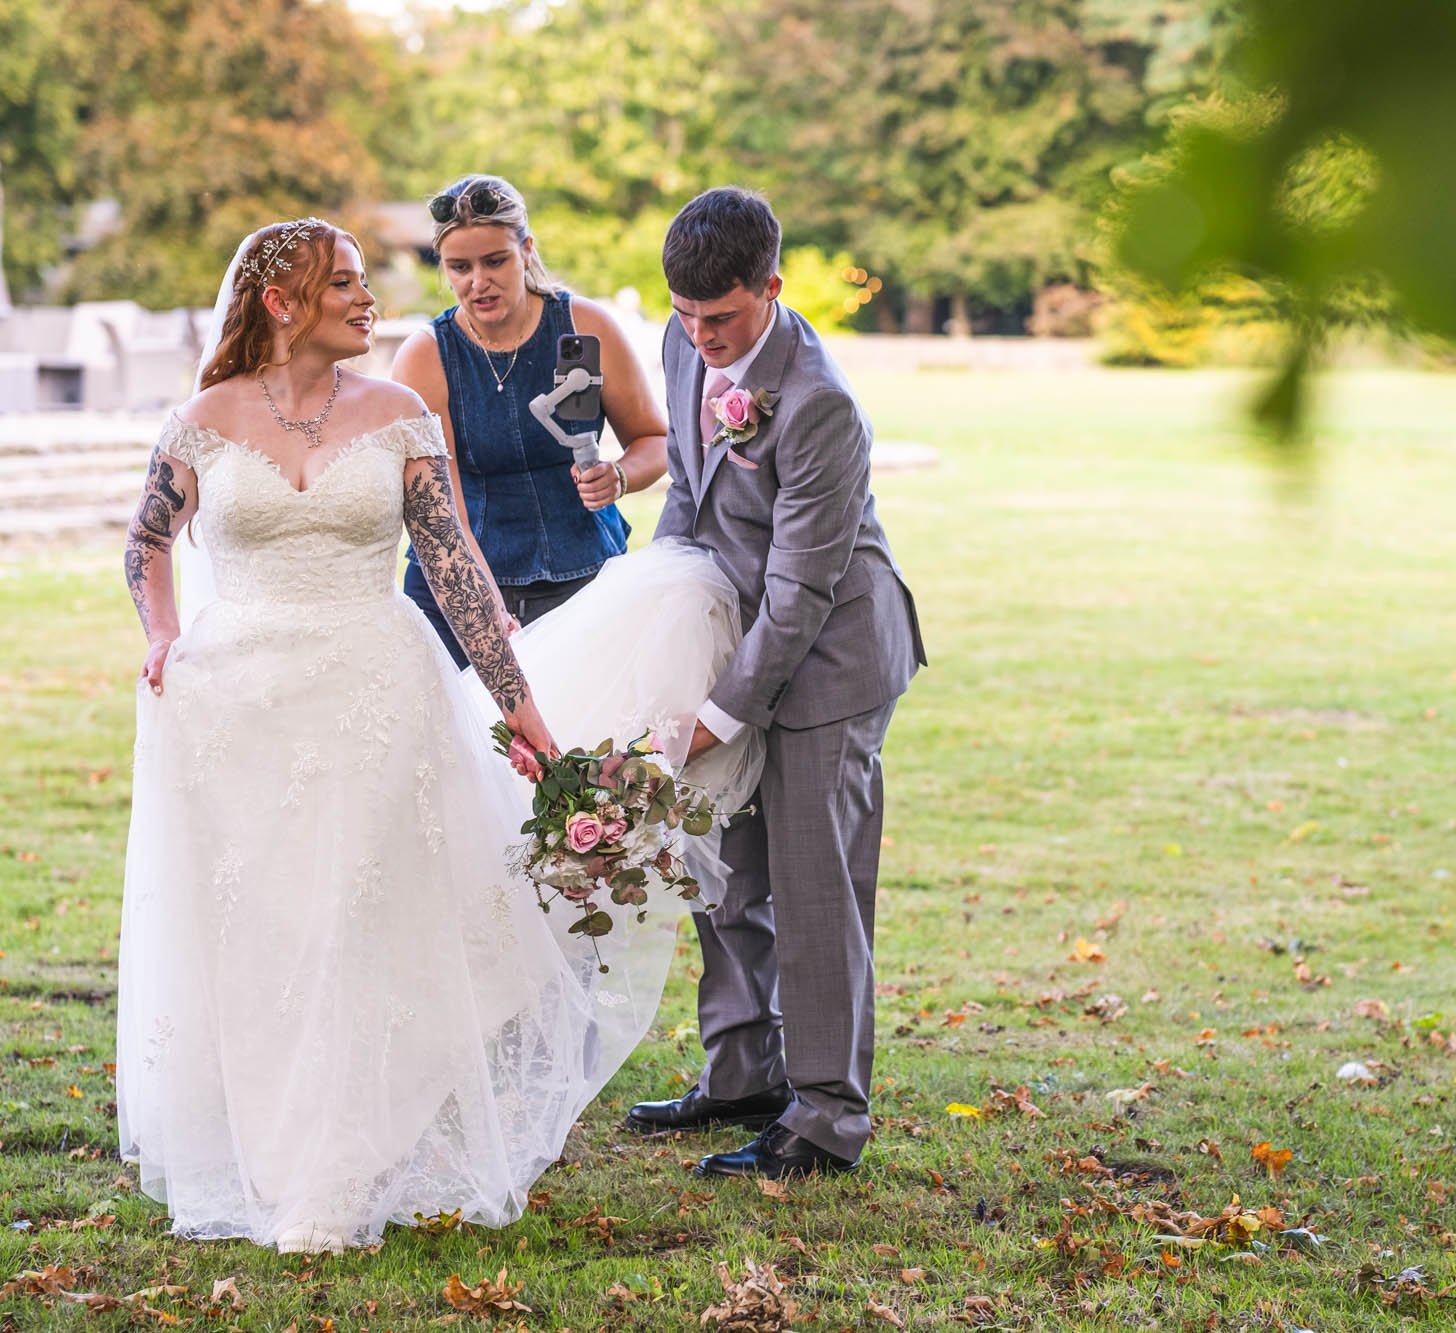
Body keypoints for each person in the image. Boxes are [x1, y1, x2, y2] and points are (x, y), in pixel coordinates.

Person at [116, 218, 755, 1255]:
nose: (369, 299)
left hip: (375, 696)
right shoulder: (203, 419)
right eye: (344, 284)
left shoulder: (399, 414)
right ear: (281, 302)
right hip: (235, 709)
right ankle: (269, 1146)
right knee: (265, 930)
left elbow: (458, 575)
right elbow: (147, 540)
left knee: (354, 922)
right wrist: (161, 633)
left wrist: (527, 717)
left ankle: (336, 1167)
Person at [621, 188, 924, 1179]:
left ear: (773, 288)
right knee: (724, 861)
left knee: (812, 884)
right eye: (685, 314)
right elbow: (687, 493)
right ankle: (743, 1072)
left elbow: (799, 592)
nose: (700, 336)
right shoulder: (681, 348)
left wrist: (711, 719)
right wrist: (663, 620)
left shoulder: (818, 401)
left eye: (721, 317)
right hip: (740, 639)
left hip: (831, 655)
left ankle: (826, 1116)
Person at [392, 174, 672, 666]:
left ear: (526, 250)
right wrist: (485, 609)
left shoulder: (585, 327)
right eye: (460, 267)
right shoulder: (426, 356)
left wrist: (620, 476)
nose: (478, 282)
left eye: (495, 260)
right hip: (463, 590)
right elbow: (444, 513)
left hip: (583, 581)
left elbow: (655, 439)